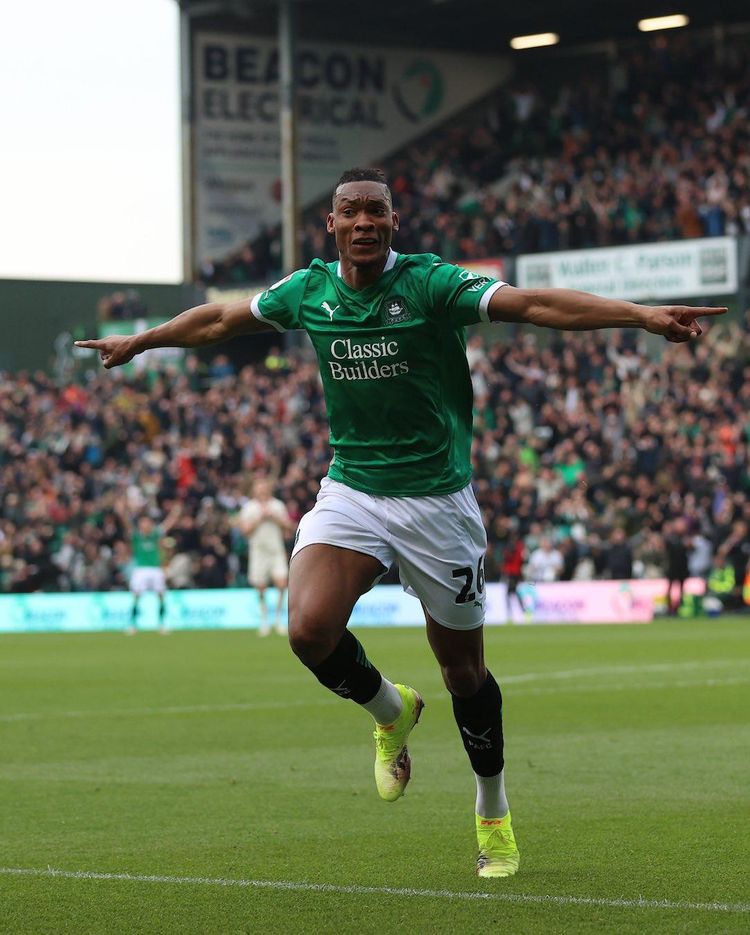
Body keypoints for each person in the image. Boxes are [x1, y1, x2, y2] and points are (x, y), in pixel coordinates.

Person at [76, 167, 725, 878]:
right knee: (307, 629)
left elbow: (536, 304)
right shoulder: (309, 291)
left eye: (375, 212)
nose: (363, 222)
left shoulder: (430, 284)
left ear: (393, 221)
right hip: (353, 488)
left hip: (438, 503)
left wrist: (640, 315)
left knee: (465, 672)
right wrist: (141, 343)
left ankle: (493, 810)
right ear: (330, 224)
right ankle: (391, 710)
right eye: (350, 211)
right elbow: (222, 318)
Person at [238, 476, 294, 635]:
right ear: (254, 490)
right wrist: (260, 518)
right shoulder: (249, 508)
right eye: (259, 487)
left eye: (264, 487)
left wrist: (274, 517)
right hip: (258, 552)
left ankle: (278, 619)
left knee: (282, 583)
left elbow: (288, 527)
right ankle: (264, 620)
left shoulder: (277, 505)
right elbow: (245, 531)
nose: (262, 490)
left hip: (276, 550)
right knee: (260, 587)